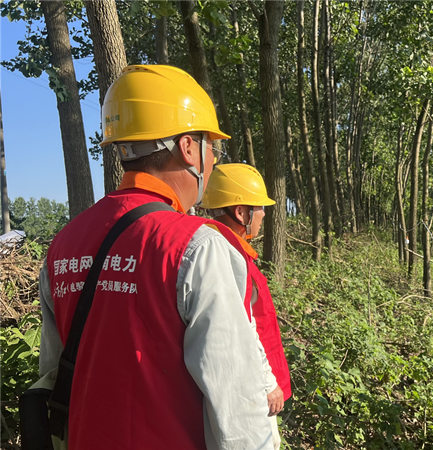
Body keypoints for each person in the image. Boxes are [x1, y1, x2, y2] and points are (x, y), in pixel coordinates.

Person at [38, 65, 275, 449]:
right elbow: (239, 412)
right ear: (187, 147)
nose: (212, 161)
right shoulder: (196, 247)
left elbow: (53, 378)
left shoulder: (62, 246)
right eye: (210, 146)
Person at [200, 163, 292, 449]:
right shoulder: (224, 255)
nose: (264, 214)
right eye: (259, 207)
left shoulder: (229, 250)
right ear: (241, 212)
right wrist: (268, 383)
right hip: (248, 392)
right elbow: (243, 328)